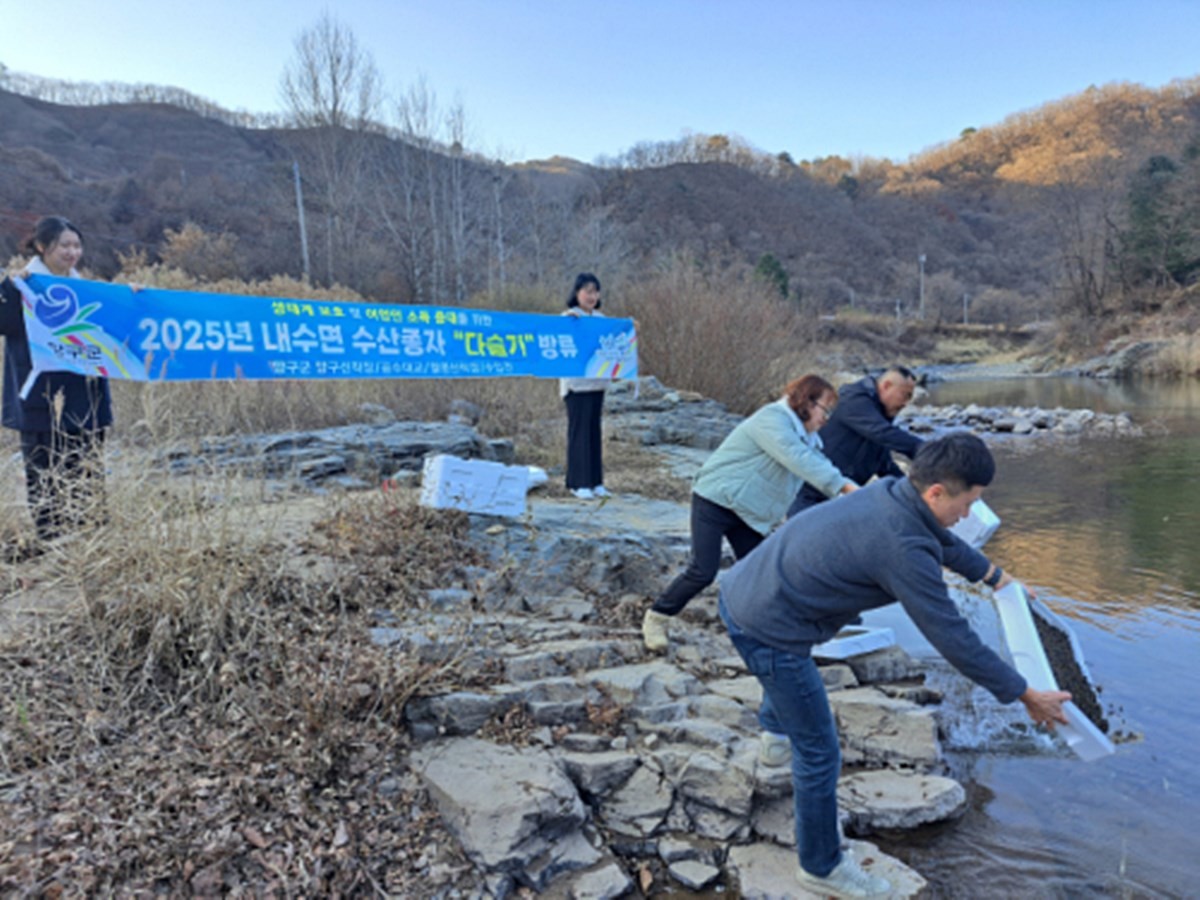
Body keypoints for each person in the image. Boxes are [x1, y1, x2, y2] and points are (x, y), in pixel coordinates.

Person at [720, 432, 1071, 898]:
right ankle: (821, 867)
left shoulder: (891, 492)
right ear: (936, 492)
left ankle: (774, 739)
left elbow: (940, 541)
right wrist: (1024, 693)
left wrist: (995, 576)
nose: (968, 516)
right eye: (967, 504)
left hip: (751, 591)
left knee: (788, 684)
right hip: (767, 624)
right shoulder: (901, 545)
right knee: (821, 751)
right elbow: (952, 636)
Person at [642, 374, 857, 652]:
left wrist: (859, 492)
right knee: (703, 570)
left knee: (765, 572)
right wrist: (847, 488)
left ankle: (766, 629)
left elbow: (820, 464)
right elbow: (799, 460)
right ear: (807, 401)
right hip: (716, 498)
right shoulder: (773, 420)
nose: (827, 418)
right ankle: (657, 618)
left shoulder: (809, 438)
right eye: (825, 410)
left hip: (750, 513)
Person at [0, 216, 112, 546]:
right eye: (64, 245)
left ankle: (92, 541)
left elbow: (119, 328)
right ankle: (53, 544)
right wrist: (8, 288)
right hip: (40, 398)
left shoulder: (87, 290)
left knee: (86, 469)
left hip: (84, 396)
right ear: (41, 247)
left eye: (77, 245)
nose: (72, 252)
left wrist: (133, 298)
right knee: (44, 472)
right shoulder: (21, 287)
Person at [787, 365, 924, 519]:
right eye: (906, 395)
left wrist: (917, 496)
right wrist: (930, 452)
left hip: (839, 500)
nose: (906, 403)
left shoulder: (880, 418)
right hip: (810, 494)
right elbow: (882, 433)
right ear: (886, 386)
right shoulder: (854, 399)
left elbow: (884, 465)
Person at [560, 273, 611, 500]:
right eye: (587, 291)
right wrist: (568, 322)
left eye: (595, 291)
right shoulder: (569, 317)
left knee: (593, 432)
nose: (591, 296)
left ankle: (596, 481)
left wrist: (632, 328)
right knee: (579, 433)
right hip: (576, 386)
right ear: (577, 293)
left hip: (597, 384)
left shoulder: (601, 319)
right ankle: (577, 482)